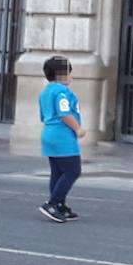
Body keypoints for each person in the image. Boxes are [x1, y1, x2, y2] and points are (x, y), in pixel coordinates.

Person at [38, 56, 84, 223]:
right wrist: (77, 128)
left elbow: (43, 116)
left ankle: (60, 205)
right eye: (69, 72)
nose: (71, 76)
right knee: (73, 170)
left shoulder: (45, 92)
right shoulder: (62, 92)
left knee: (57, 172)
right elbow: (64, 114)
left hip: (49, 134)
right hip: (62, 137)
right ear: (61, 75)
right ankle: (52, 203)